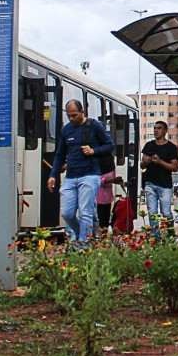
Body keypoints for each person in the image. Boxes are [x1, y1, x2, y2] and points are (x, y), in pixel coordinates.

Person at [48, 100, 113, 247]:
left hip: (90, 175)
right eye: (69, 116)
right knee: (67, 213)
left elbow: (110, 145)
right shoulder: (66, 130)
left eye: (74, 115)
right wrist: (53, 174)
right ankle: (81, 234)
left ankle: (83, 243)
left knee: (85, 212)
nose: (71, 119)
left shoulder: (95, 126)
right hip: (71, 176)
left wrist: (94, 151)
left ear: (82, 112)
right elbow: (60, 154)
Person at [141, 120, 178, 233]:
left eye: (159, 128)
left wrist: (160, 162)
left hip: (165, 184)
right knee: (152, 212)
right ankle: (155, 236)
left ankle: (170, 233)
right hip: (150, 183)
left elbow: (175, 167)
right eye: (155, 128)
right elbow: (142, 165)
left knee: (166, 212)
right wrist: (146, 162)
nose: (156, 130)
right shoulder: (149, 145)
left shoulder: (171, 147)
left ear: (165, 131)